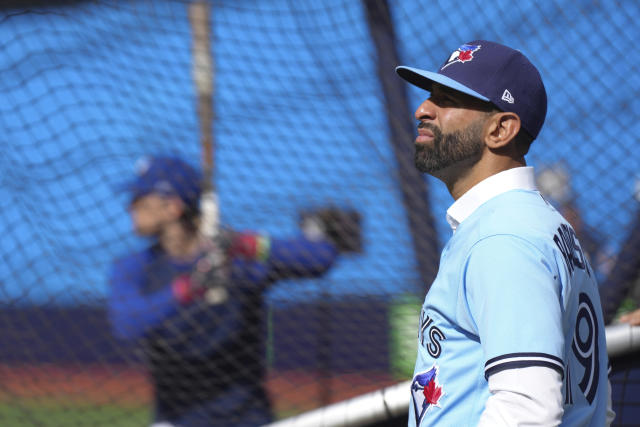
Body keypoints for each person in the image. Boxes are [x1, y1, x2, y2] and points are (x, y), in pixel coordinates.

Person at [395, 40, 615, 426]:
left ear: (501, 129)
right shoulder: (540, 225)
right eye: (430, 95)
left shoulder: (502, 237)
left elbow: (527, 410)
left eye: (447, 99)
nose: (422, 109)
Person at [107, 155, 360, 427]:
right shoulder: (134, 269)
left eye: (140, 199)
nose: (130, 206)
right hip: (176, 420)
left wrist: (247, 244)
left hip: (248, 419)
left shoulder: (236, 261)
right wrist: (190, 288)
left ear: (172, 207)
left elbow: (322, 257)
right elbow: (127, 324)